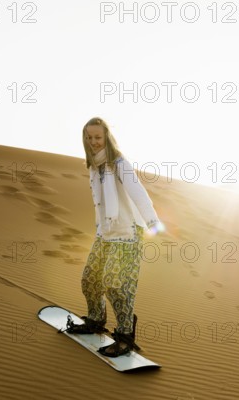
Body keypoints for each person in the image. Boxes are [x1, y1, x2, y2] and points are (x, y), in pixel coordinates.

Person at [64, 117, 164, 357]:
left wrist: (153, 223)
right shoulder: (93, 166)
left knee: (115, 285)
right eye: (89, 138)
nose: (93, 142)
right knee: (90, 278)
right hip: (106, 234)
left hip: (128, 233)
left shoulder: (119, 163)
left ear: (106, 137)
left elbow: (139, 194)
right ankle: (96, 321)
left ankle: (125, 336)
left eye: (98, 137)